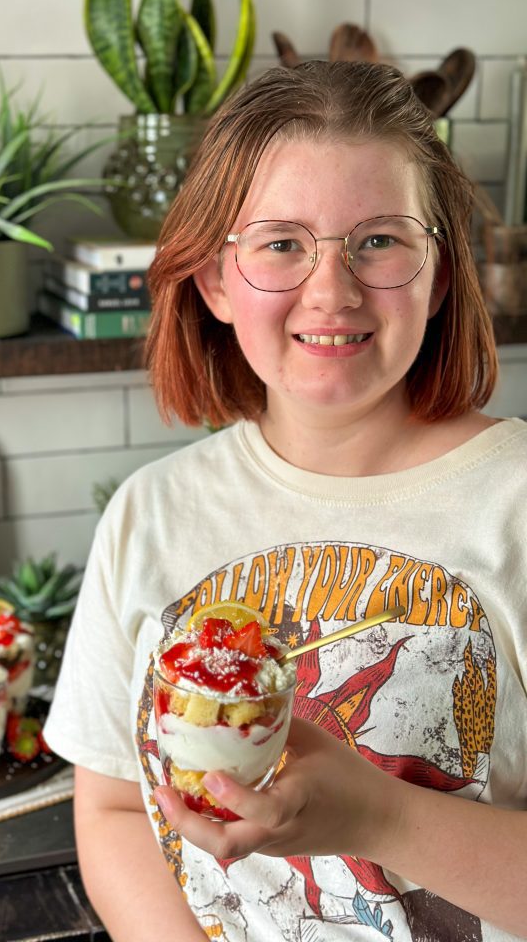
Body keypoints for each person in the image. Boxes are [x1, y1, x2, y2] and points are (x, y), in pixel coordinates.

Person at [43, 61, 527, 942]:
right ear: (216, 281)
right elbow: (115, 809)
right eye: (281, 242)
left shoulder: (516, 504)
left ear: (441, 275)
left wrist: (381, 819)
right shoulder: (150, 513)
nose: (331, 291)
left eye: (379, 240)